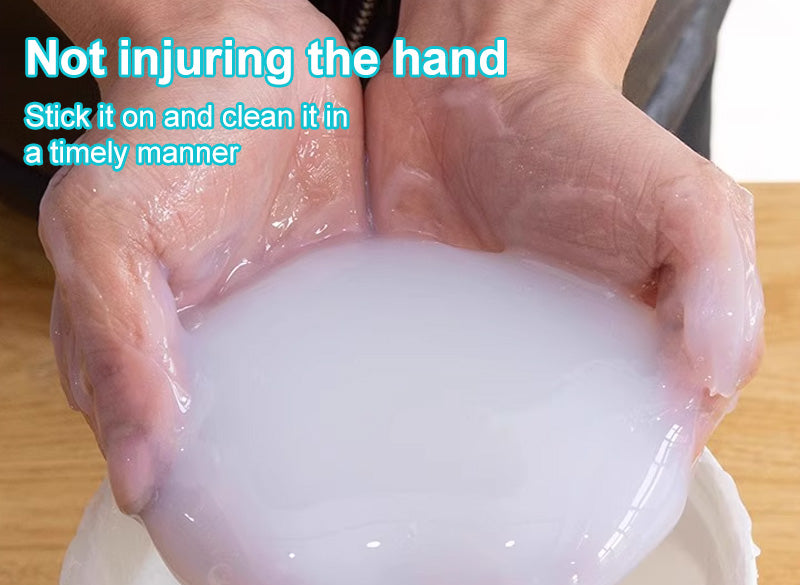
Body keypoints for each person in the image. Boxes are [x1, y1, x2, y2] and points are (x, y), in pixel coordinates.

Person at [32, 0, 763, 514]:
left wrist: (527, 51)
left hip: (574, 97)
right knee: (122, 316)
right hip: (149, 115)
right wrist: (183, 23)